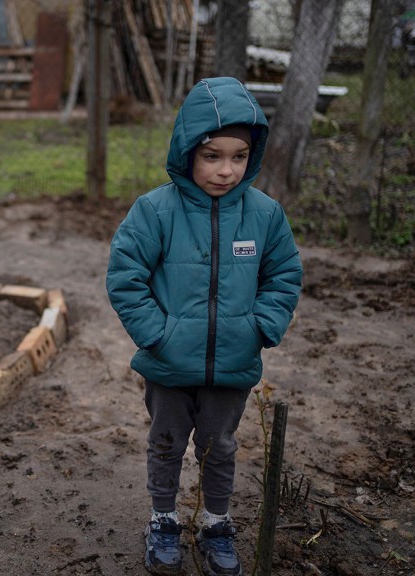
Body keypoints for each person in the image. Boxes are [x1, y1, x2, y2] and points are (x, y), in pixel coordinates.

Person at [106, 77, 303, 576]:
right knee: (166, 442)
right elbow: (125, 276)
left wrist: (259, 328)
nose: (226, 170)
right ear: (187, 149)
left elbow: (284, 275)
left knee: (220, 448)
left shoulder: (264, 216)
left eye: (239, 157)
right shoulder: (155, 211)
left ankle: (216, 524)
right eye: (213, 155)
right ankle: (164, 520)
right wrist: (158, 336)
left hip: (233, 365)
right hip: (169, 365)